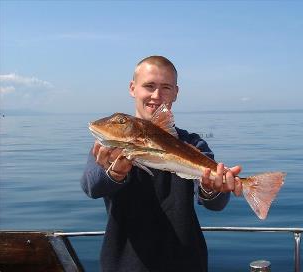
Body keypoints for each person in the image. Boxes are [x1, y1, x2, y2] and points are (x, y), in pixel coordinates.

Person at [81, 56, 243, 272]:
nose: (156, 96)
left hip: (186, 263)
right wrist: (114, 174)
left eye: (166, 88)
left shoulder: (192, 144)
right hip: (125, 264)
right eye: (149, 86)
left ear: (176, 92)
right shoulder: (110, 143)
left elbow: (216, 204)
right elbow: (92, 186)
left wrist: (212, 189)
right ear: (133, 88)